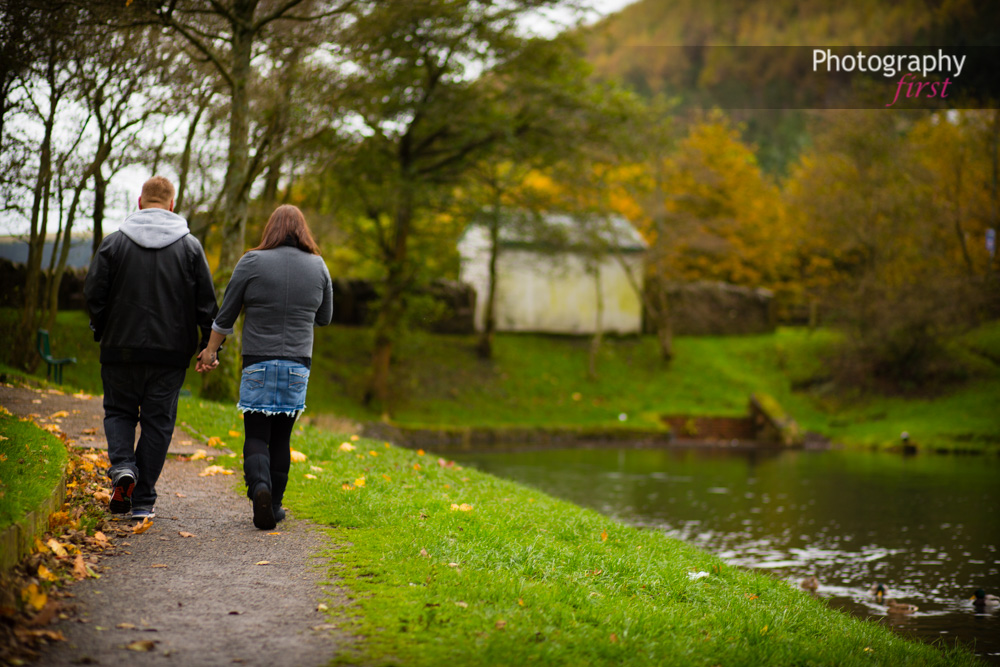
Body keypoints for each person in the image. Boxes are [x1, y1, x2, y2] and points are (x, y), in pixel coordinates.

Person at [84, 176, 218, 520]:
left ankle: (124, 469)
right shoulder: (190, 247)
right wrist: (208, 346)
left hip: (119, 348)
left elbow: (93, 294)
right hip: (170, 353)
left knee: (118, 412)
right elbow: (207, 302)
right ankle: (142, 501)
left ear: (140, 202)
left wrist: (101, 328)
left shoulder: (113, 243)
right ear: (172, 205)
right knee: (158, 423)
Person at [197, 204, 333, 530]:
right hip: (298, 364)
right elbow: (325, 317)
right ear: (303, 231)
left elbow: (225, 316)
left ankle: (259, 488)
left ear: (270, 229)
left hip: (258, 361)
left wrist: (209, 353)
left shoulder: (252, 261)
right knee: (282, 437)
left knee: (256, 433)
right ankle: (274, 505)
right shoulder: (318, 266)